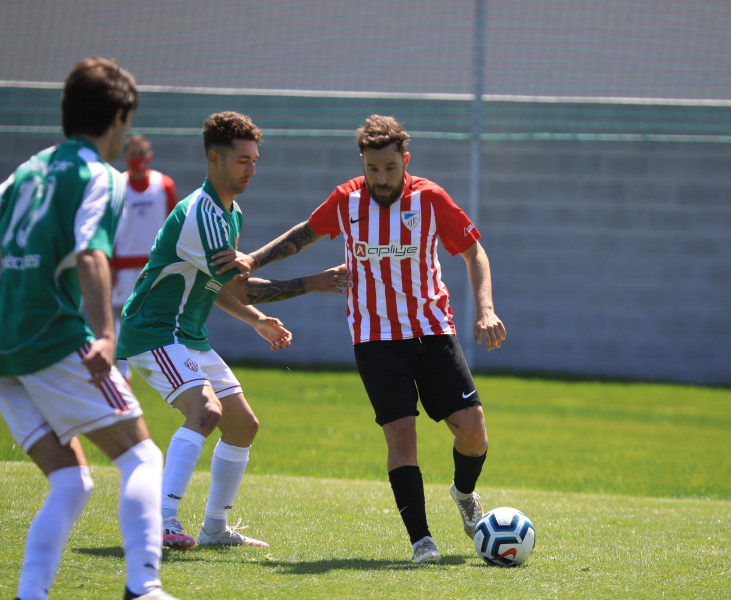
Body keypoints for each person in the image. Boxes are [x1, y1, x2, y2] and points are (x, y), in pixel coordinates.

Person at [213, 114, 506, 564]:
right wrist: (252, 259)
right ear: (362, 163)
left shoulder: (430, 199)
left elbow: (473, 251)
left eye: (390, 168)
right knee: (400, 436)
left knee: (473, 431)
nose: (381, 178)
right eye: (373, 169)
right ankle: (421, 541)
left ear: (404, 161)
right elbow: (302, 236)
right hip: (374, 337)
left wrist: (485, 309)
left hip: (431, 330)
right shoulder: (346, 201)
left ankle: (465, 496)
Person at [0, 58, 178, 600]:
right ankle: (143, 586)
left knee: (71, 480)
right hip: (54, 338)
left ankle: (30, 594)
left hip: (1, 351)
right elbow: (91, 255)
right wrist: (106, 334)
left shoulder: (27, 170)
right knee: (141, 456)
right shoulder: (101, 176)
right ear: (121, 115)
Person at [115, 111, 347, 551]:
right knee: (205, 413)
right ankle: (160, 521)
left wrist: (255, 321)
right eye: (243, 161)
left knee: (242, 426)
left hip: (188, 336)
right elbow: (241, 283)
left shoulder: (229, 214)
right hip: (155, 332)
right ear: (214, 159)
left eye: (255, 160)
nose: (251, 170)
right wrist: (312, 283)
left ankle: (215, 530)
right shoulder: (200, 214)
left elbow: (217, 284)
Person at [112, 134, 179, 381]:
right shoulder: (116, 186)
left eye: (142, 156)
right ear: (126, 158)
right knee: (123, 314)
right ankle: (123, 371)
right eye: (132, 156)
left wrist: (174, 260)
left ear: (149, 157)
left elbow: (174, 225)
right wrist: (109, 264)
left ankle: (161, 365)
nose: (138, 162)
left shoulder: (164, 185)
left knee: (160, 313)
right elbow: (108, 228)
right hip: (123, 262)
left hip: (156, 261)